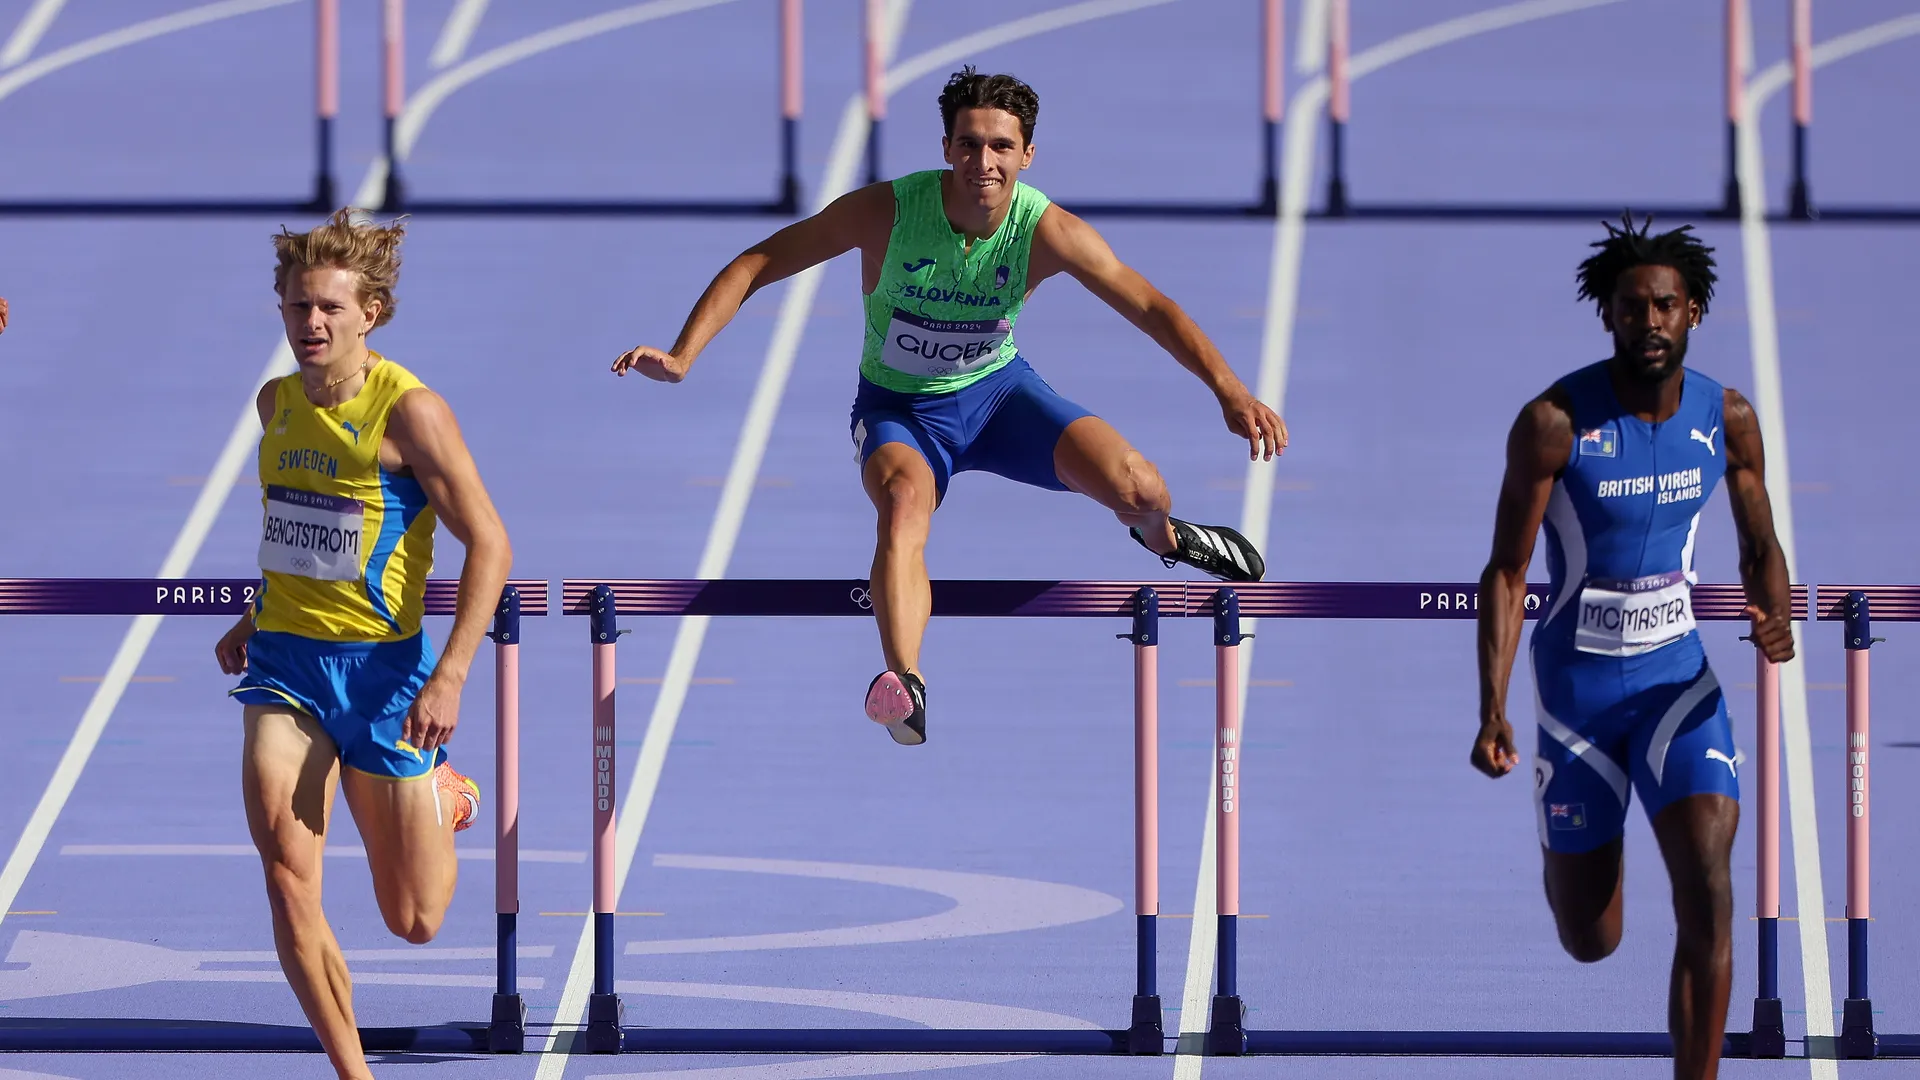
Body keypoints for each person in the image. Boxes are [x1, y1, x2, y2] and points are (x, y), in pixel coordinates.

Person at [613, 67, 1287, 745]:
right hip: (899, 412)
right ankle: (904, 684)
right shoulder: (886, 212)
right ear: (945, 147)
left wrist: (1229, 391)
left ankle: (1165, 537)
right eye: (969, 144)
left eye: (1000, 146)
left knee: (1141, 487)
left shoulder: (1047, 231)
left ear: (1027, 155)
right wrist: (682, 354)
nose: (983, 162)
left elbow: (1150, 306)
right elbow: (757, 262)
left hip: (1000, 399)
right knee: (904, 505)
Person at [1473, 214, 1795, 1080]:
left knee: (1710, 893)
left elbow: (1760, 548)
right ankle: (1573, 855)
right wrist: (1493, 707)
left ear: (1694, 312)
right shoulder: (1554, 423)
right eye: (1632, 308)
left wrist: (1777, 617)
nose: (1649, 322)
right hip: (1577, 704)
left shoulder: (1726, 417)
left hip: (1678, 689)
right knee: (1591, 937)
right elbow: (1506, 572)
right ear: (1607, 316)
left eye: (1665, 306)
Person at [213, 208, 512, 1080]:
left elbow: (489, 542)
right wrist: (256, 611)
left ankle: (443, 792)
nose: (312, 324)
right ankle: (353, 1073)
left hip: (386, 675)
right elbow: (295, 529)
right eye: (298, 307)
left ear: (368, 313)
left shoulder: (411, 412)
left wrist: (451, 673)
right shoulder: (274, 404)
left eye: (330, 310)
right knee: (285, 878)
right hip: (286, 668)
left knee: (413, 919)